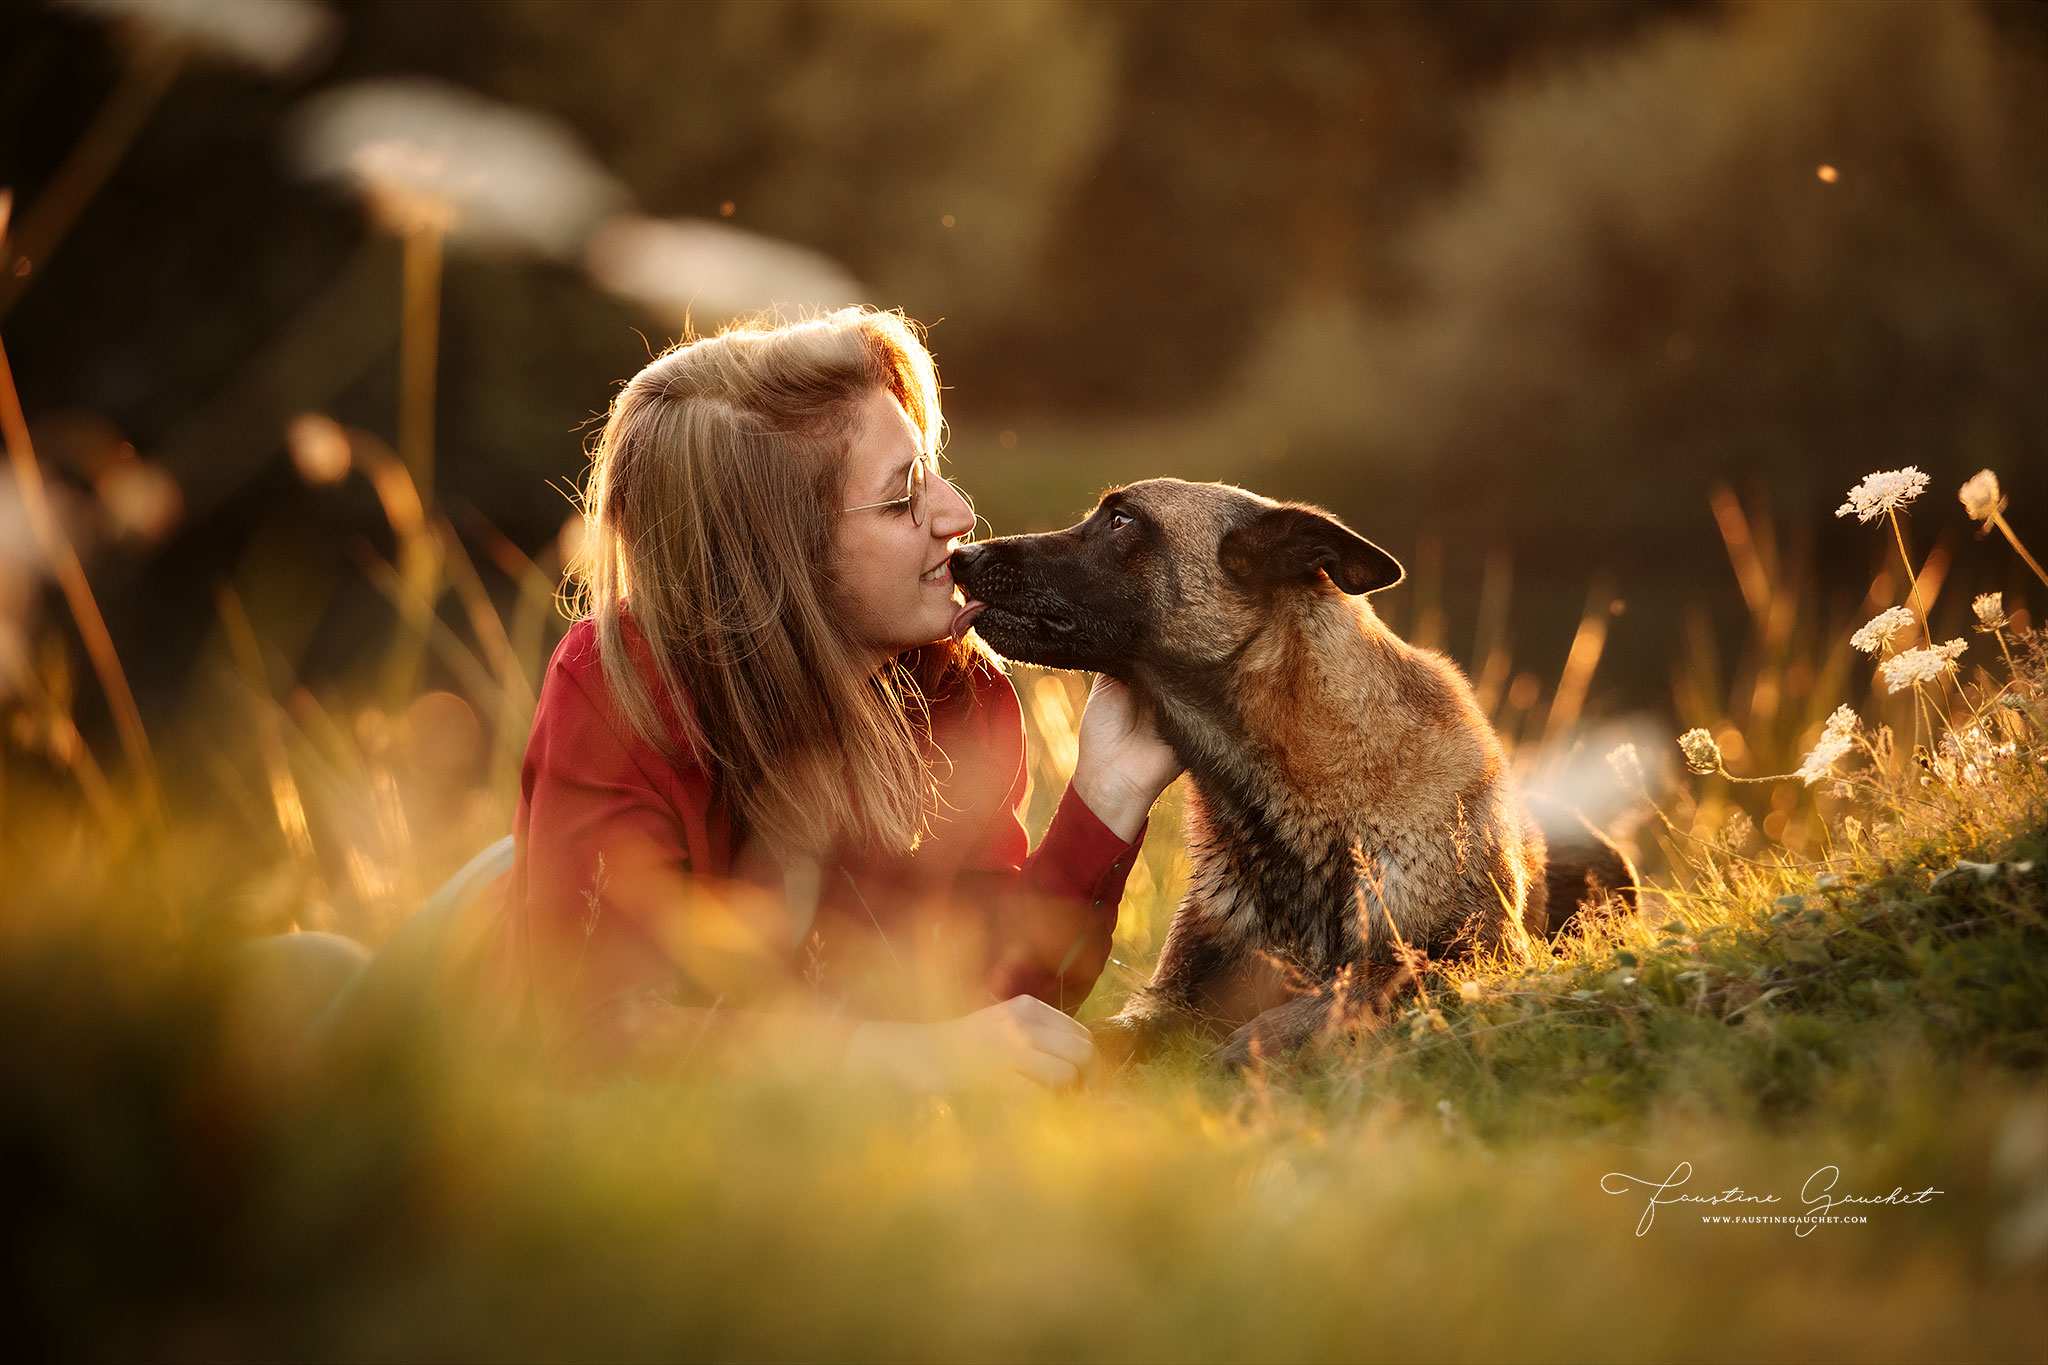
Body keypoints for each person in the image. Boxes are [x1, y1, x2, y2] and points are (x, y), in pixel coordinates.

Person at [487, 308, 1182, 1088]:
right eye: (901, 498)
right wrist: (898, 1056)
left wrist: (1108, 791)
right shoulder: (619, 686)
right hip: (476, 994)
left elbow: (993, 1017)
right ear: (779, 555)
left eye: (933, 469)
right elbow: (598, 1037)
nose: (958, 515)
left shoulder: (960, 693)